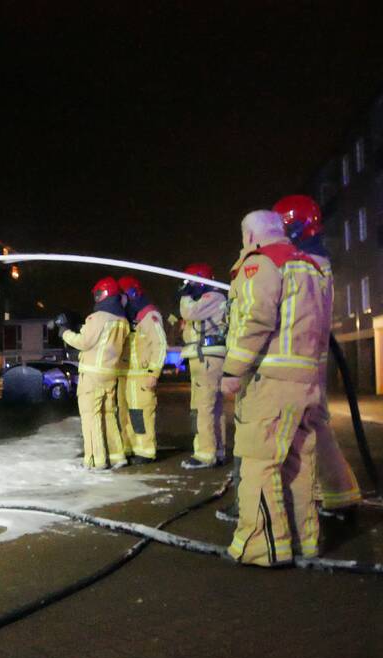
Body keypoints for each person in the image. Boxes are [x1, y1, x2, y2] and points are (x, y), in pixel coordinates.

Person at [220, 210, 330, 566]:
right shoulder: (309, 267)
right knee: (299, 465)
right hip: (306, 382)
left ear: (251, 236)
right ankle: (306, 541)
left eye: (242, 237)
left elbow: (255, 317)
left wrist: (233, 369)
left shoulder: (261, 262)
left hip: (271, 382)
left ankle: (263, 547)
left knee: (259, 462)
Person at [273, 194, 362, 515]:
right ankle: (340, 493)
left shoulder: (302, 266)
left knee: (279, 433)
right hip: (309, 360)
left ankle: (272, 503)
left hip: (296, 362)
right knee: (314, 425)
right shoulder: (315, 263)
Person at [59, 276, 129, 469]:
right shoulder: (122, 320)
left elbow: (85, 342)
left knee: (91, 417)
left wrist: (64, 332)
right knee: (108, 415)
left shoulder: (98, 317)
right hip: (109, 373)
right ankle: (117, 456)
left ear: (105, 294)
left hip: (92, 375)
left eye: (98, 294)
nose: (96, 298)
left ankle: (94, 460)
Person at [178, 262, 228, 469]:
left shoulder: (213, 297)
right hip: (204, 356)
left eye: (188, 282)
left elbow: (188, 312)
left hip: (207, 357)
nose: (185, 285)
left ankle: (205, 453)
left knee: (204, 407)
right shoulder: (211, 299)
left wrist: (185, 295)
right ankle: (217, 449)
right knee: (213, 407)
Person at [117, 276, 168, 464]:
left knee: (141, 415)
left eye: (121, 297)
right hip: (128, 377)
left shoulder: (148, 316)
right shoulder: (131, 318)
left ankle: (145, 451)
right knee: (127, 415)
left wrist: (154, 373)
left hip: (141, 378)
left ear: (130, 295)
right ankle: (130, 447)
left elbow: (160, 344)